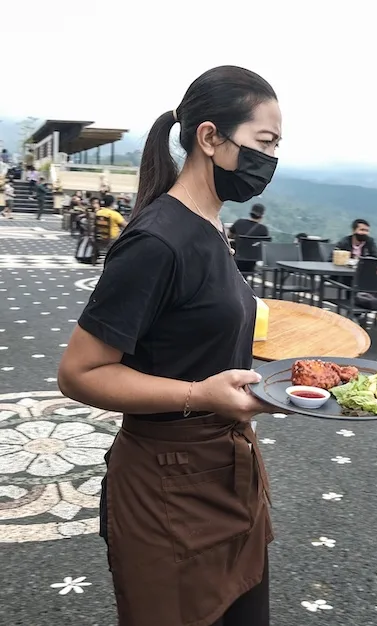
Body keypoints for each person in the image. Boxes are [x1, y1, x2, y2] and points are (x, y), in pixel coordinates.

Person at [57, 65, 281, 626]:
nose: (272, 161)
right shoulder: (157, 240)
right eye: (265, 142)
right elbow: (80, 372)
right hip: (168, 490)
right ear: (209, 138)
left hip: (226, 475)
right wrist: (200, 394)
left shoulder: (211, 226)